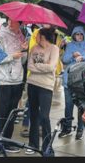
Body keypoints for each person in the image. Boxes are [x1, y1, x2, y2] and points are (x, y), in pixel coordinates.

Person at [0, 18, 28, 155]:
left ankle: (7, 142)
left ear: (20, 23)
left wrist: (24, 51)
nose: (11, 22)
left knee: (11, 114)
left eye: (15, 20)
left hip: (16, 80)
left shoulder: (21, 37)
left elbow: (22, 61)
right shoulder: (1, 37)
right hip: (3, 81)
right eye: (9, 20)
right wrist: (11, 56)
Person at [25, 27, 60, 155]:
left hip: (46, 86)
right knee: (33, 115)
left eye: (37, 36)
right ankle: (32, 145)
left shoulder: (54, 49)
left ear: (42, 37)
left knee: (44, 117)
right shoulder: (34, 49)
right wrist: (44, 66)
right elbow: (29, 66)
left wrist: (37, 66)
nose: (35, 38)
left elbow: (52, 67)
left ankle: (47, 146)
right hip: (32, 84)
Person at [58, 25, 85, 140]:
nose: (79, 36)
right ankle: (67, 127)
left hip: (83, 80)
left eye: (81, 34)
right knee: (68, 104)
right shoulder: (70, 45)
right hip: (69, 79)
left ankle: (80, 128)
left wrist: (82, 57)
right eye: (77, 34)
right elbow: (64, 59)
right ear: (73, 35)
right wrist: (72, 55)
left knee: (81, 105)